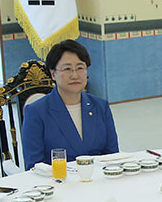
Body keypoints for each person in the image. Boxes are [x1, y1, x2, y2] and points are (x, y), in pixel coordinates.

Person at [21, 39, 119, 169]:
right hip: (58, 183)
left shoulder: (101, 107)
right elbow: (34, 166)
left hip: (99, 181)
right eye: (67, 69)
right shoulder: (36, 112)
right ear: (53, 74)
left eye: (80, 68)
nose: (75, 75)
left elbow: (112, 156)